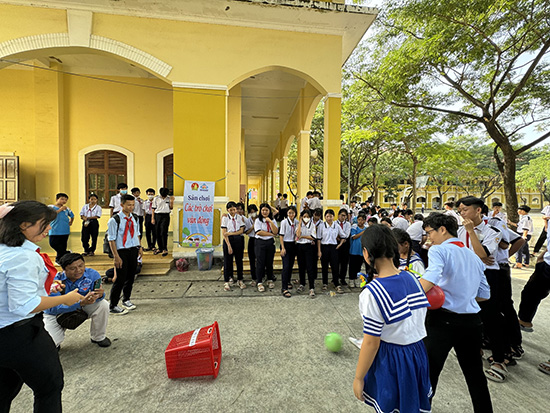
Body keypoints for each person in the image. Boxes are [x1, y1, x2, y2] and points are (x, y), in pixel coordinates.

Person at [0, 201, 84, 412]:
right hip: (21, 334)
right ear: (23, 225)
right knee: (49, 386)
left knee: (4, 389)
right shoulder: (23, 256)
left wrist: (46, 290)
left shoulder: (5, 250)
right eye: (44, 223)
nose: (49, 229)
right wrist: (65, 298)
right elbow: (24, 305)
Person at [353, 224, 431, 413]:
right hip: (418, 353)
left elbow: (371, 343)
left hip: (392, 359)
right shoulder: (412, 278)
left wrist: (358, 378)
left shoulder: (372, 293)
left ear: (366, 253)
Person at [419, 213, 493, 412]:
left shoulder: (439, 251)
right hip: (472, 323)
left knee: (429, 374)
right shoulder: (474, 256)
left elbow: (431, 278)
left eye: (429, 233)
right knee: (475, 375)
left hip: (443, 321)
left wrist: (407, 294)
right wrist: (464, 296)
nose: (429, 238)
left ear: (442, 229)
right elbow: (485, 294)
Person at [456, 196, 509, 382]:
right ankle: (474, 347)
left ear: (478, 210)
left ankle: (500, 359)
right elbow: (463, 253)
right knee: (471, 314)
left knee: (491, 317)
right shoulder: (460, 230)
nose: (462, 213)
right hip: (467, 274)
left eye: (465, 209)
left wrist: (472, 234)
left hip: (488, 276)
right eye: (460, 210)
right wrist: (476, 256)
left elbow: (483, 254)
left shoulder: (492, 230)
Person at [44, 253, 111, 348]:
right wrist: (80, 303)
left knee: (103, 304)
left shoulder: (93, 274)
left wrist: (99, 295)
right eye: (72, 268)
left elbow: (98, 295)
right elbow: (53, 308)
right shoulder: (55, 282)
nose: (78, 270)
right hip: (56, 313)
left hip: (82, 306)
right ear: (64, 269)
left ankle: (98, 337)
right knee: (50, 344)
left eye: (81, 266)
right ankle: (55, 340)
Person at [106, 194, 142, 314]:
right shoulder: (114, 220)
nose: (131, 207)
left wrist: (139, 247)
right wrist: (116, 256)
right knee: (120, 279)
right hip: (121, 251)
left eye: (133, 205)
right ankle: (113, 305)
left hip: (133, 249)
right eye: (129, 205)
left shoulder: (135, 218)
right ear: (122, 205)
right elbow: (111, 239)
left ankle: (126, 299)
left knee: (131, 276)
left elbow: (137, 233)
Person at [517, 228, 550, 333]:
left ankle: (524, 321)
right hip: (546, 265)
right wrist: (543, 255)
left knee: (531, 293)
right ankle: (524, 321)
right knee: (530, 293)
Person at [317, 209, 347, 294]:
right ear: (325, 217)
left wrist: (340, 244)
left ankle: (336, 283)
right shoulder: (321, 226)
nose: (329, 218)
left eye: (331, 216)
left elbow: (343, 236)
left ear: (334, 217)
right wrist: (319, 251)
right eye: (327, 216)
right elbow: (319, 239)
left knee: (335, 266)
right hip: (324, 247)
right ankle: (325, 283)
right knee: (324, 266)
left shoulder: (336, 225)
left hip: (334, 247)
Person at [221, 201, 246, 291]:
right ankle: (227, 280)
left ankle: (240, 279)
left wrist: (231, 233)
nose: (232, 211)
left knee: (239, 260)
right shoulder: (225, 218)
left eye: (234, 209)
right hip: (228, 241)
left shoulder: (239, 218)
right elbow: (224, 233)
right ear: (227, 210)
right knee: (228, 261)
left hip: (238, 240)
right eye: (230, 210)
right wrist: (229, 245)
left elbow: (241, 230)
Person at [254, 203, 278, 292]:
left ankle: (269, 279)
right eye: (263, 210)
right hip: (260, 243)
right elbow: (259, 232)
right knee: (260, 262)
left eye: (266, 210)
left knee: (269, 262)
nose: (264, 212)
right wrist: (271, 234)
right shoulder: (258, 220)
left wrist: (270, 222)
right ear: (260, 211)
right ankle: (259, 281)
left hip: (270, 243)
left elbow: (276, 231)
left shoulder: (272, 220)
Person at [295, 209, 317, 298]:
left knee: (310, 267)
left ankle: (311, 287)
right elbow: (297, 234)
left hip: (308, 247)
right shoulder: (298, 225)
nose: (306, 218)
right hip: (299, 247)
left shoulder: (312, 225)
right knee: (301, 266)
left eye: (308, 217)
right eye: (304, 217)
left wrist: (303, 236)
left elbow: (312, 237)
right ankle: (302, 284)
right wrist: (300, 223)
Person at [48, 192, 74, 264]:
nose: (64, 201)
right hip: (54, 230)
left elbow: (72, 216)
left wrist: (71, 221)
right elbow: (50, 215)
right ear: (57, 199)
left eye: (65, 200)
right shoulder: (51, 207)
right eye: (62, 199)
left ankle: (59, 260)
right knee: (53, 244)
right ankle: (67, 253)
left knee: (63, 245)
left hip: (65, 230)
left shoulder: (67, 209)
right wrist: (60, 210)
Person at [279, 206, 298, 298]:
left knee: (290, 265)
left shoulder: (297, 222)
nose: (291, 215)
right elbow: (281, 236)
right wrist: (282, 248)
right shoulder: (284, 222)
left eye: (293, 213)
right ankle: (284, 288)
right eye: (289, 213)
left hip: (293, 245)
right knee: (286, 266)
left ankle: (288, 281)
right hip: (285, 244)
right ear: (287, 213)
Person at [152, 187, 174, 257]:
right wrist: (153, 218)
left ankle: (165, 248)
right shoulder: (156, 198)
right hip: (157, 215)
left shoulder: (168, 198)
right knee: (157, 232)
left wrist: (172, 201)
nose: (164, 196)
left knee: (163, 232)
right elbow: (153, 208)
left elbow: (171, 208)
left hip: (165, 216)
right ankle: (160, 248)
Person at [349, 213, 368, 287]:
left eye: (362, 220)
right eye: (359, 220)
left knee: (358, 266)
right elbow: (354, 237)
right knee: (352, 265)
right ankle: (351, 279)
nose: (360, 221)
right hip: (354, 250)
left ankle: (356, 279)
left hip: (361, 250)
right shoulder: (354, 227)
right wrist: (363, 232)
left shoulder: (366, 228)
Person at [336, 209, 351, 287]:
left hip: (345, 244)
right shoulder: (335, 223)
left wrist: (342, 237)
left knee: (344, 262)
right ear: (338, 215)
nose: (343, 217)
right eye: (341, 215)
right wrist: (338, 237)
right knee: (336, 262)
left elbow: (346, 234)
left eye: (344, 216)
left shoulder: (348, 224)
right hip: (336, 243)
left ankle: (343, 278)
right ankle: (336, 277)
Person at [244, 204, 258, 286]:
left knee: (259, 259)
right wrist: (253, 226)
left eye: (254, 212)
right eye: (251, 212)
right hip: (252, 239)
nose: (253, 213)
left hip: (259, 239)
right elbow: (246, 232)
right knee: (252, 259)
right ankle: (253, 277)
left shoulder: (260, 219)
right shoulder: (247, 220)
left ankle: (260, 275)